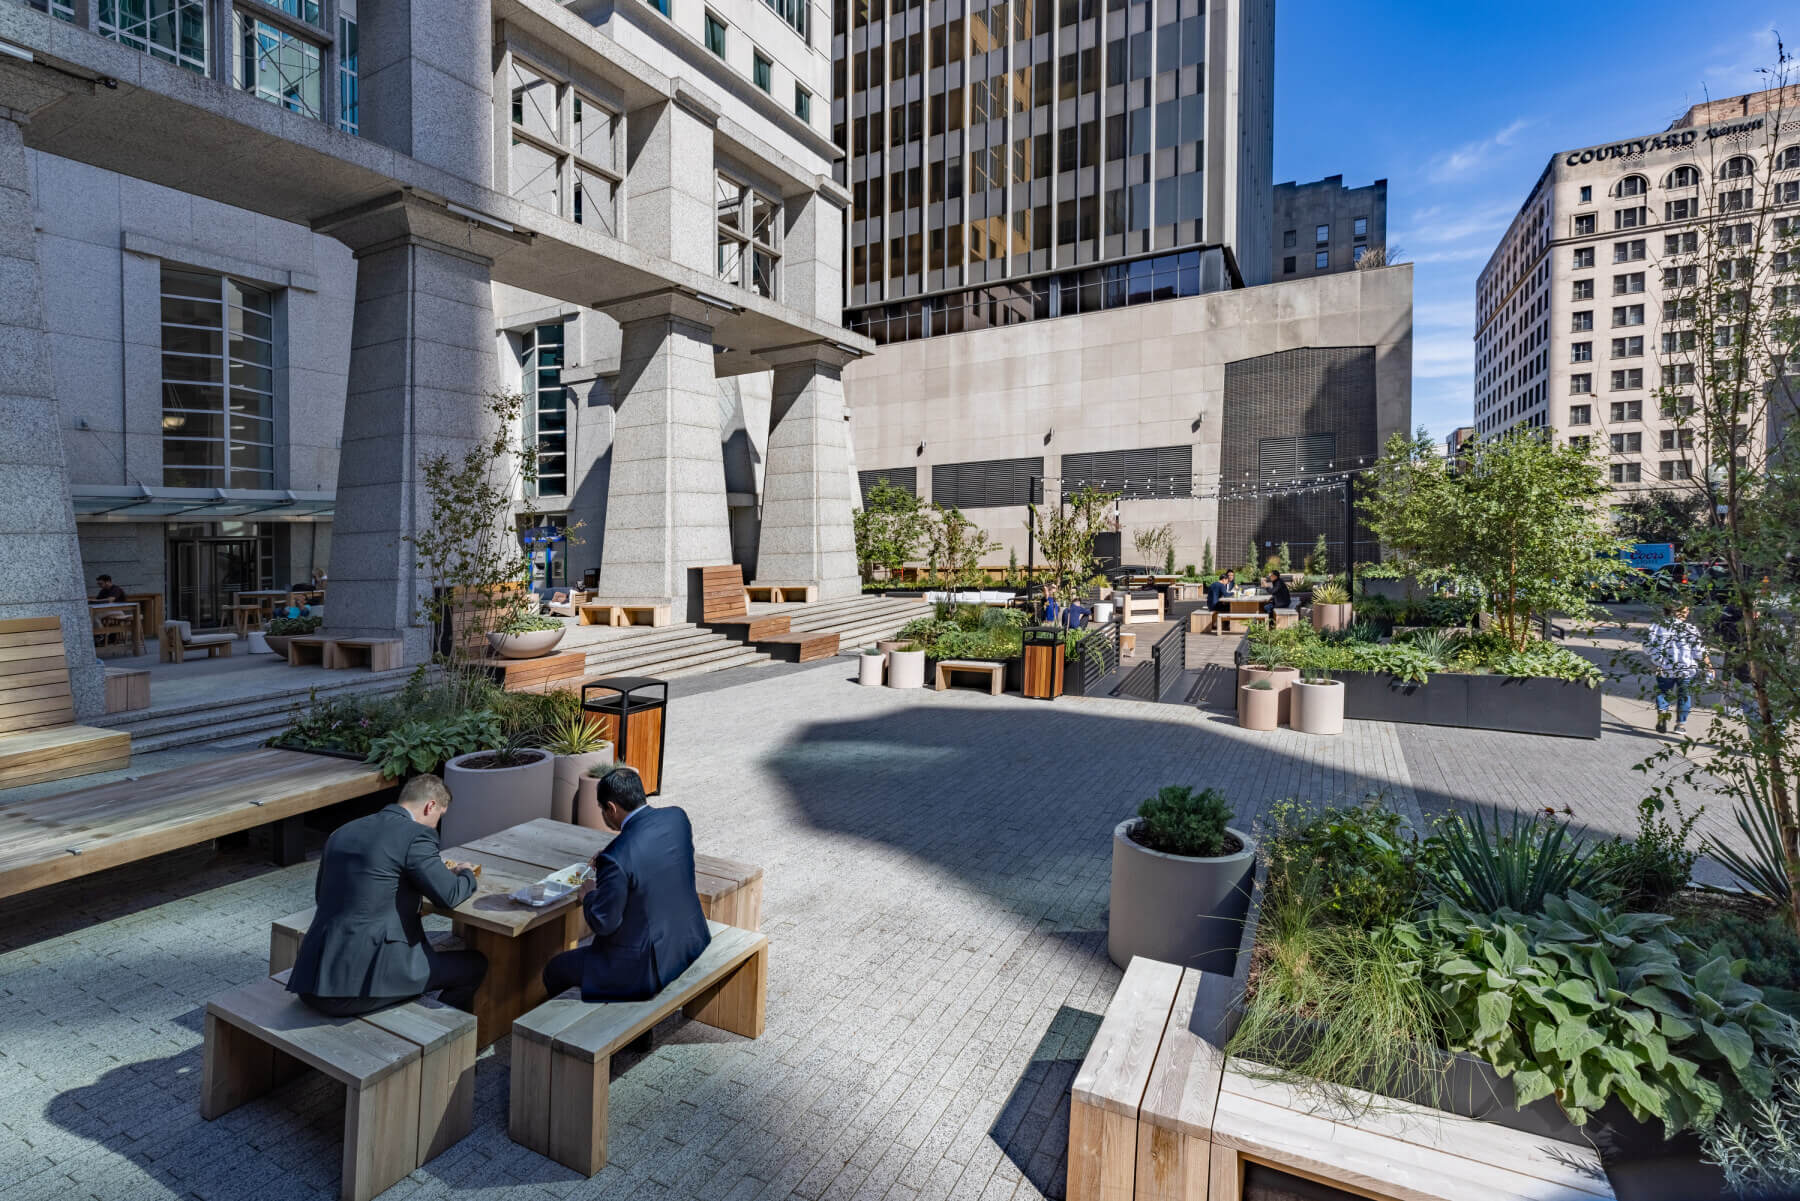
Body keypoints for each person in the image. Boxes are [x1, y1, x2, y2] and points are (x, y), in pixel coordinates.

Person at [286, 774, 487, 1017]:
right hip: (354, 990)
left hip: (309, 981)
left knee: (435, 953)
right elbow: (449, 895)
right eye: (439, 817)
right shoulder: (417, 835)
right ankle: (434, 1031)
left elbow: (326, 896)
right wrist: (466, 874)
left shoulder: (342, 831)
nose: (436, 825)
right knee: (475, 964)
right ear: (430, 805)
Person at [542, 767, 712, 1005]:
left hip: (646, 968)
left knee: (555, 969)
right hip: (690, 940)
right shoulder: (677, 817)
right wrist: (611, 860)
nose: (603, 814)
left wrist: (589, 895)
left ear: (611, 808)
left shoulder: (617, 857)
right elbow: (652, 854)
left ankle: (585, 1035)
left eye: (602, 809)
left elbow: (604, 922)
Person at [1644, 604, 1709, 736]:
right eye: (1685, 611)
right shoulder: (1690, 629)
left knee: (1663, 692)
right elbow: (1699, 650)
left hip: (1664, 668)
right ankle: (1680, 725)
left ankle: (1662, 714)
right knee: (1684, 695)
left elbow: (1647, 648)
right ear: (1676, 612)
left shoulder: (1656, 627)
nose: (1687, 613)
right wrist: (1708, 665)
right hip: (1686, 668)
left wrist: (1656, 660)